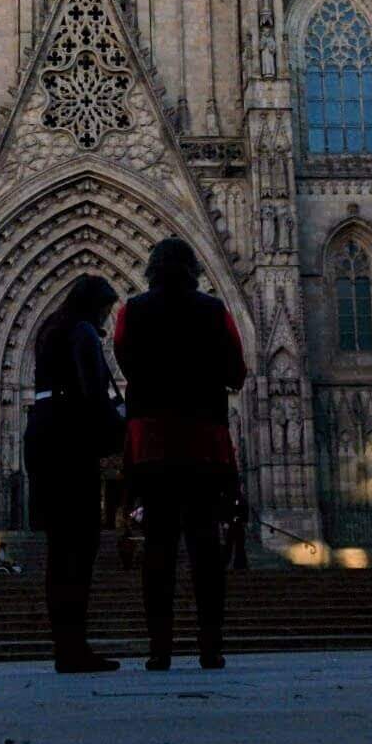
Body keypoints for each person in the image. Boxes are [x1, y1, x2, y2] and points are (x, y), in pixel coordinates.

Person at [114, 237, 247, 670]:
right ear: (193, 269)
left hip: (153, 441)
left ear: (151, 270)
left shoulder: (130, 312)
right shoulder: (215, 312)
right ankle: (211, 645)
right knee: (206, 545)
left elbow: (125, 362)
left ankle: (160, 648)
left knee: (158, 546)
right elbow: (236, 372)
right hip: (203, 440)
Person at [23, 273, 124, 674]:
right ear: (94, 305)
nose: (106, 319)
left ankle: (64, 646)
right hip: (70, 443)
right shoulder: (82, 332)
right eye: (105, 310)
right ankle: (76, 646)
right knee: (80, 549)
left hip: (42, 437)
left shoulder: (49, 329)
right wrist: (119, 432)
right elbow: (92, 393)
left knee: (58, 551)